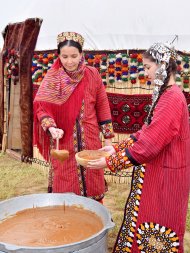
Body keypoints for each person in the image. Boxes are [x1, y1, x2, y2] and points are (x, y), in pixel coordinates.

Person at [88, 42, 190, 252]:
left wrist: (111, 162)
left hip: (167, 178)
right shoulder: (166, 95)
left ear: (162, 65)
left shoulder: (171, 98)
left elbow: (151, 142)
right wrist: (115, 149)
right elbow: (146, 132)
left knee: (159, 227)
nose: (146, 73)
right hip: (161, 171)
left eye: (148, 67)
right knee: (150, 223)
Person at [33, 31, 114, 202]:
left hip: (90, 140)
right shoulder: (53, 78)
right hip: (64, 141)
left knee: (93, 180)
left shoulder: (93, 75)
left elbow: (103, 107)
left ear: (81, 54)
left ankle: (95, 221)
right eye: (65, 56)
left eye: (74, 56)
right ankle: (68, 224)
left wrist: (108, 140)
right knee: (65, 185)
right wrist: (51, 127)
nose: (69, 61)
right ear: (58, 56)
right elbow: (42, 108)